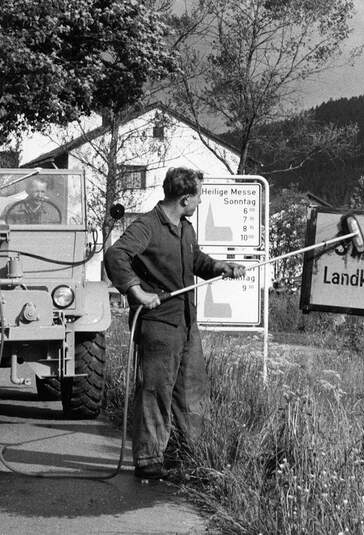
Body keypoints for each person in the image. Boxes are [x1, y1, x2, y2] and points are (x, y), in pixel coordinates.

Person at [105, 167, 246, 480]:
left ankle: (192, 455)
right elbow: (115, 256)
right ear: (185, 198)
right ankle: (149, 461)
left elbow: (194, 261)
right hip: (157, 325)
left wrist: (219, 267)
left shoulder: (185, 227)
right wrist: (137, 291)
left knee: (193, 392)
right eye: (198, 197)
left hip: (185, 324)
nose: (199, 203)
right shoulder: (147, 226)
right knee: (155, 391)